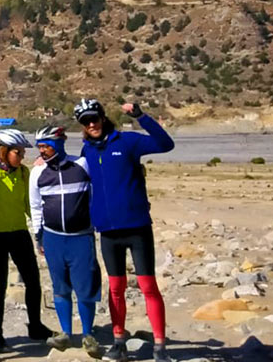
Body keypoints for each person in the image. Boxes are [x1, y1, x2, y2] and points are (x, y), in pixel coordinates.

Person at [76, 100, 175, 362]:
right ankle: (119, 342)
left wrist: (141, 116)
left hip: (137, 227)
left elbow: (166, 144)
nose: (91, 124)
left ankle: (160, 346)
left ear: (102, 118)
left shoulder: (127, 141)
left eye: (94, 118)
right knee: (116, 288)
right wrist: (45, 160)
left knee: (148, 286)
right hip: (108, 232)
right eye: (85, 122)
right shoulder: (86, 151)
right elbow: (72, 173)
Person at [0, 129, 53, 351]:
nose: (22, 156)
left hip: (19, 233)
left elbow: (31, 204)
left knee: (33, 281)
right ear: (3, 152)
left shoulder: (24, 173)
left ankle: (35, 326)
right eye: (18, 152)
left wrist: (41, 233)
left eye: (23, 152)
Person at [29, 125, 103, 359]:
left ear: (59, 144)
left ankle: (88, 334)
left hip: (81, 237)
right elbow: (35, 206)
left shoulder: (82, 165)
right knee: (60, 288)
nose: (42, 151)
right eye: (40, 147)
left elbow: (97, 193)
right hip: (53, 238)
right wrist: (38, 235)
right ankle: (65, 333)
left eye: (47, 146)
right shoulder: (38, 173)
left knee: (85, 289)